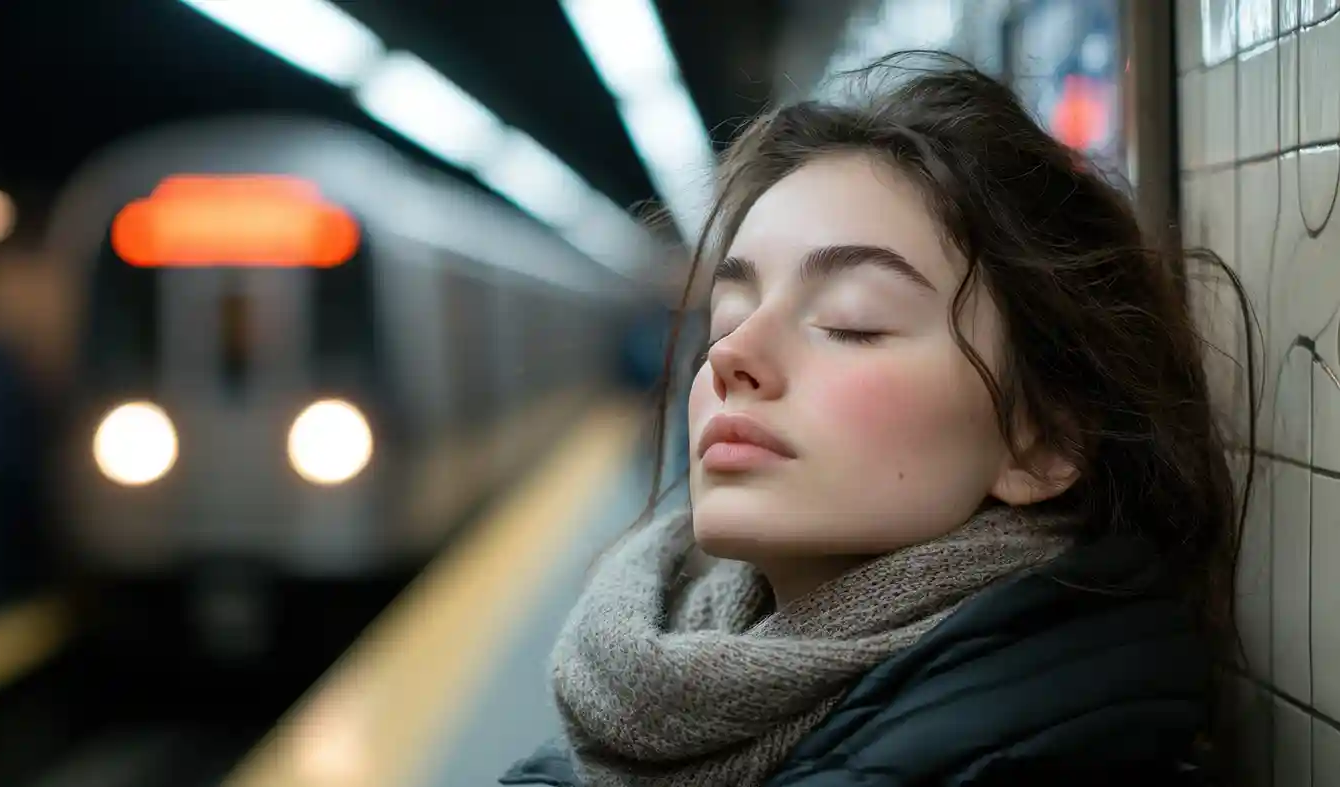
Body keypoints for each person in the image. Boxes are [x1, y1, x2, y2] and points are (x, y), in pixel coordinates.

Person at [501, 51, 1254, 787]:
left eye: (850, 321)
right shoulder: (623, 715)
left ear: (1044, 437)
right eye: (727, 317)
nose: (734, 355)